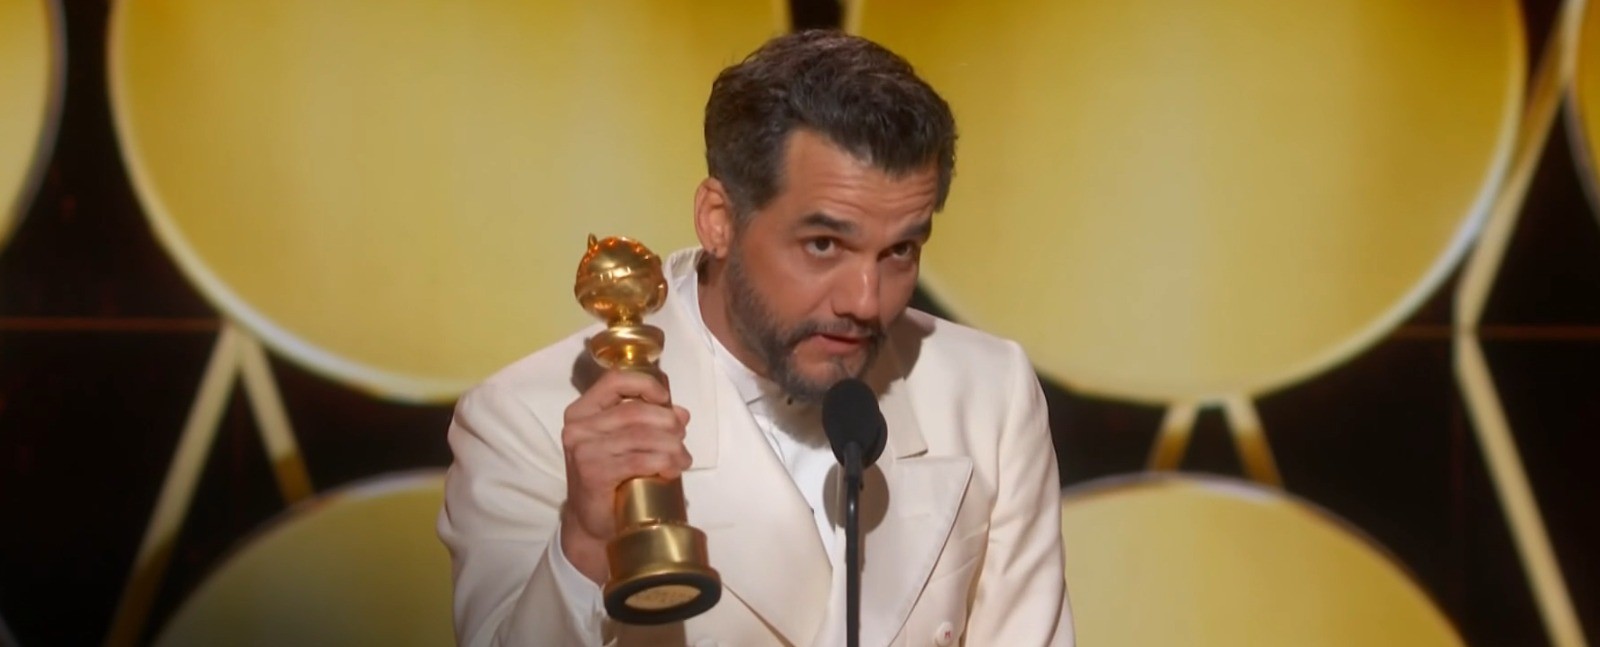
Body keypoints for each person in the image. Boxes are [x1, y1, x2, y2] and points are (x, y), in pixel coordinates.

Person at [438, 30, 1073, 646]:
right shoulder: (524, 419)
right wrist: (582, 545)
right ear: (719, 220)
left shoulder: (989, 393)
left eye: (900, 251)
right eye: (823, 244)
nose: (864, 301)